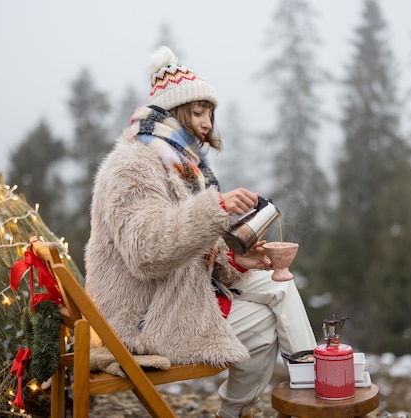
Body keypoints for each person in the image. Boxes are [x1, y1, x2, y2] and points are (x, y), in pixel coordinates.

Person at [84, 45, 316, 418]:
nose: (208, 123)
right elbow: (147, 251)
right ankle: (296, 396)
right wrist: (215, 208)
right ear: (173, 112)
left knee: (278, 280)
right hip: (144, 318)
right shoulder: (132, 165)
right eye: (198, 111)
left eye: (210, 113)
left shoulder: (183, 165)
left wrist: (238, 260)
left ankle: (311, 386)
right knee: (266, 324)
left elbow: (191, 244)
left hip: (179, 293)